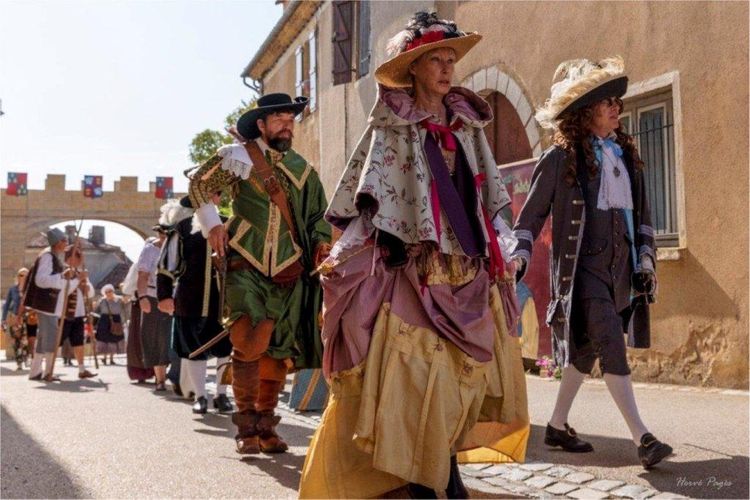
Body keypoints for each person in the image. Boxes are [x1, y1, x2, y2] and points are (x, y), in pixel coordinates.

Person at [299, 13, 529, 498]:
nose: (447, 69)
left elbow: (487, 199)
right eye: (436, 60)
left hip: (466, 268)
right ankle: (432, 481)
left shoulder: (467, 126)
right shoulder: (391, 125)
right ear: (414, 68)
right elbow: (366, 196)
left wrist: (503, 247)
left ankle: (441, 470)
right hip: (412, 271)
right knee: (420, 382)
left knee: (455, 386)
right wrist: (357, 251)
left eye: (451, 59)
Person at [511, 56, 672, 469]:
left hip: (621, 272)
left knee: (585, 352)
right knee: (611, 344)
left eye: (616, 101)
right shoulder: (560, 159)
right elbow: (529, 217)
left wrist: (648, 260)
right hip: (583, 273)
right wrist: (520, 254)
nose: (616, 108)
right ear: (586, 113)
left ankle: (557, 425)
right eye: (607, 103)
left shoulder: (625, 156)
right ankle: (644, 438)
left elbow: (645, 217)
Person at [188, 92, 332, 455]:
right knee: (247, 340)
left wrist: (320, 244)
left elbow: (318, 217)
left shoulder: (304, 170)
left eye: (290, 119)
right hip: (244, 261)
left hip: (289, 268)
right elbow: (199, 184)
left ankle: (266, 426)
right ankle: (245, 426)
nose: (287, 124)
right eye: (280, 118)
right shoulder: (237, 157)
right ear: (262, 125)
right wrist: (213, 225)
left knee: (277, 350)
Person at [156, 196, 232, 414]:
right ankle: (200, 396)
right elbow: (166, 265)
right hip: (190, 299)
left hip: (223, 298)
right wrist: (164, 295)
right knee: (193, 349)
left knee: (225, 348)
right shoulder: (182, 229)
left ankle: (222, 395)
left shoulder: (228, 223)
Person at [22, 228, 95, 381]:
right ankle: (48, 372)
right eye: (63, 241)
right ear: (57, 242)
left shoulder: (51, 256)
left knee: (43, 339)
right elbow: (41, 280)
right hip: (48, 304)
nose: (65, 243)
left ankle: (35, 372)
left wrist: (64, 276)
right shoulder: (48, 256)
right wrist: (65, 277)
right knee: (51, 339)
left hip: (49, 304)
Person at [135, 225, 172, 391]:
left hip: (172, 297)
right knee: (154, 338)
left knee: (167, 337)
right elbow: (142, 275)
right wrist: (142, 297)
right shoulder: (150, 250)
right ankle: (160, 378)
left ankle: (171, 375)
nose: (163, 238)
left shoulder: (176, 248)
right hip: (152, 296)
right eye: (162, 234)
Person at [2, 268, 29, 370]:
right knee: (16, 339)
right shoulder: (12, 289)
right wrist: (3, 319)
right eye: (21, 275)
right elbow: (6, 304)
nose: (23, 278)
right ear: (18, 276)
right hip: (15, 317)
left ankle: (26, 356)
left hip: (28, 317)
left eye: (26, 276)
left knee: (26, 340)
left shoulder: (30, 289)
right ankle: (19, 361)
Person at [95, 284, 126, 365]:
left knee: (114, 338)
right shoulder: (102, 300)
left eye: (110, 291)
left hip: (116, 320)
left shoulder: (119, 299)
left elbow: (125, 304)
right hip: (104, 320)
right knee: (105, 339)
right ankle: (104, 358)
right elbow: (96, 309)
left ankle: (111, 359)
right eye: (107, 292)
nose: (109, 293)